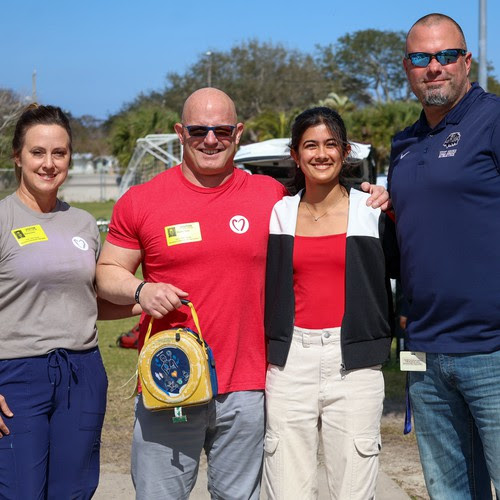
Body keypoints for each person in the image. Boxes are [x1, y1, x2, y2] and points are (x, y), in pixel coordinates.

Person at [95, 88, 390, 499]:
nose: (210, 139)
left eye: (221, 130)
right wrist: (140, 288)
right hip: (171, 380)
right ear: (180, 132)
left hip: (249, 388)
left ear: (238, 133)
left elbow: (324, 203)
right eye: (199, 130)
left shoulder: (270, 198)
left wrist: (375, 194)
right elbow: (107, 273)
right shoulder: (141, 200)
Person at [0, 104, 140, 499]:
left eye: (58, 153)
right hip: (16, 376)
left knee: (73, 491)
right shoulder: (3, 219)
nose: (49, 163)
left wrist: (147, 298)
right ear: (18, 157)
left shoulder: (82, 222)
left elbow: (89, 301)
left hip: (83, 373)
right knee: (20, 491)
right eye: (37, 152)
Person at [388, 13, 500, 499]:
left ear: (466, 60)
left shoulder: (492, 120)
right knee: (450, 493)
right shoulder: (404, 144)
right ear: (407, 67)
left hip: (492, 350)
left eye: (446, 55)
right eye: (420, 58)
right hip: (426, 354)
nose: (434, 67)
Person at [263, 107, 398, 499]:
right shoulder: (279, 214)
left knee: (353, 488)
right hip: (290, 366)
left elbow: (410, 273)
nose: (321, 154)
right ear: (295, 155)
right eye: (310, 145)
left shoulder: (372, 212)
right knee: (286, 488)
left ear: (345, 151)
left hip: (354, 366)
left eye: (330, 144)